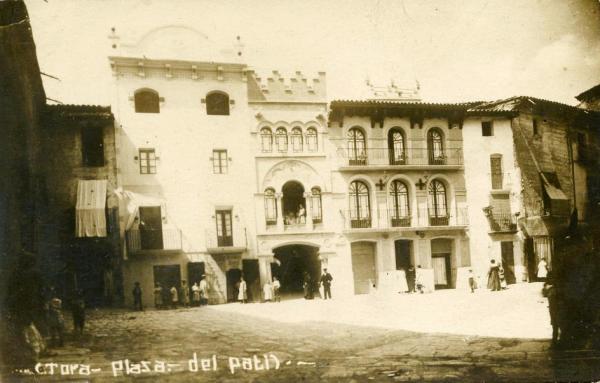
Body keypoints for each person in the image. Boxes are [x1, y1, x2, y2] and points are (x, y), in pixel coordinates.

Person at [542, 272, 561, 346]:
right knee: (555, 325)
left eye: (549, 278)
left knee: (557, 325)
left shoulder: (556, 288)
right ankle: (555, 341)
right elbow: (544, 293)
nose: (548, 279)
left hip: (558, 309)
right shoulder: (550, 288)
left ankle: (556, 341)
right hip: (553, 309)